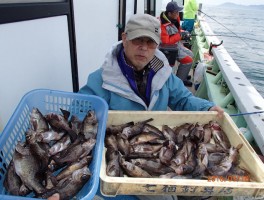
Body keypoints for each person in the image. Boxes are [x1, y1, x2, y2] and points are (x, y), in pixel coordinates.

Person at [79, 13, 223, 200]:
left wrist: (207, 108)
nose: (144, 48)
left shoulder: (163, 72)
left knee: (200, 190)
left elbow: (183, 99)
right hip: (123, 156)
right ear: (124, 38)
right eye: (138, 40)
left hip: (158, 146)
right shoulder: (101, 79)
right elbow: (82, 114)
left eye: (151, 43)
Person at [159, 1, 194, 87]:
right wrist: (180, 35)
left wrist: (183, 32)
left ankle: (183, 76)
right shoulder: (162, 25)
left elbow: (177, 31)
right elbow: (165, 42)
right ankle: (178, 84)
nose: (178, 14)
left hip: (176, 44)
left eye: (178, 12)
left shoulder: (175, 19)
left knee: (191, 54)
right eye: (176, 12)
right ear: (170, 13)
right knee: (188, 60)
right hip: (169, 48)